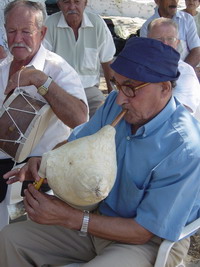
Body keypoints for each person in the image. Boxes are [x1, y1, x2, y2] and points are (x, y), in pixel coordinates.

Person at [1, 37, 200, 267]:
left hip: (147, 242)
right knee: (10, 239)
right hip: (98, 219)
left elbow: (143, 231)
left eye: (131, 87)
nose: (121, 97)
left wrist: (70, 218)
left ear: (164, 89)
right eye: (117, 84)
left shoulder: (186, 148)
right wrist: (45, 160)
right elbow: (77, 144)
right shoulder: (117, 102)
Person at [0, 0, 88, 231]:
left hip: (36, 172)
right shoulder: (2, 68)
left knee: (14, 233)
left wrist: (42, 82)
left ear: (42, 32)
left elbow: (80, 119)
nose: (18, 38)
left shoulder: (57, 69)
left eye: (26, 32)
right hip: (3, 163)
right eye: (11, 31)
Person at [44, 0, 116, 118]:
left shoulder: (97, 24)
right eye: (66, 2)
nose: (72, 7)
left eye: (77, 2)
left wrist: (112, 95)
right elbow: (42, 62)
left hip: (89, 91)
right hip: (59, 90)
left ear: (85, 3)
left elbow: (107, 61)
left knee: (104, 119)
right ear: (59, 4)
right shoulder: (49, 24)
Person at [147, 17, 200, 114]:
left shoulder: (185, 73)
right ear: (147, 42)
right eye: (158, 39)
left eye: (170, 39)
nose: (165, 44)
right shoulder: (141, 66)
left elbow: (180, 114)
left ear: (177, 43)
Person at [140, 0, 200, 78]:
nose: (174, 1)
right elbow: (148, 57)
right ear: (157, 1)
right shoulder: (147, 27)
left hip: (185, 75)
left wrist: (181, 73)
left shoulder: (187, 19)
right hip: (159, 77)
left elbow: (197, 51)